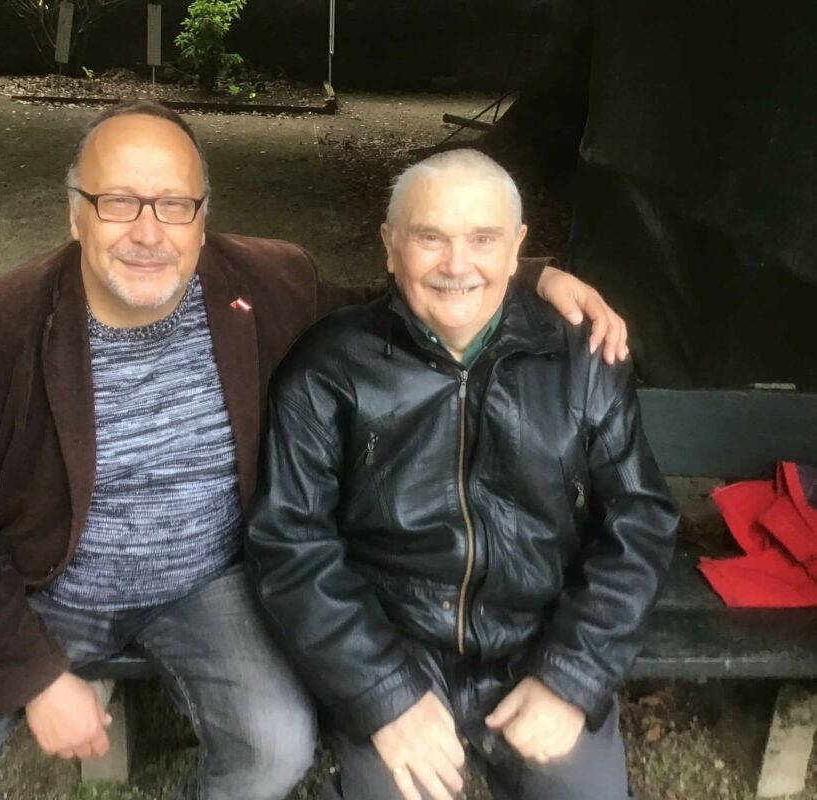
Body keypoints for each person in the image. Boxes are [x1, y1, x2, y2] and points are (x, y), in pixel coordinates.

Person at [0, 101, 630, 800]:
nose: (148, 232)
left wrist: (528, 280)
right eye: (118, 202)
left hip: (208, 580)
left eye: (174, 204)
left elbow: (396, 304)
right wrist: (34, 676)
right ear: (75, 214)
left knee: (275, 746)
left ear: (202, 216)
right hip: (37, 584)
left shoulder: (266, 283)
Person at [246, 148, 678, 800]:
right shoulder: (328, 367)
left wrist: (571, 676)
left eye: (482, 239)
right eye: (430, 238)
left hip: (539, 636)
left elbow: (639, 522)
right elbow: (289, 541)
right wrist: (383, 692)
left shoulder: (583, 358)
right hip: (392, 642)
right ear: (390, 247)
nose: (456, 264)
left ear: (517, 248)